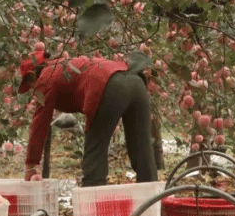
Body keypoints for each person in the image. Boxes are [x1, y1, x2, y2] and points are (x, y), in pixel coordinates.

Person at [19, 50, 157, 187]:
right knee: (142, 150)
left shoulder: (46, 76)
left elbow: (39, 123)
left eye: (30, 86)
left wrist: (31, 165)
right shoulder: (65, 64)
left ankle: (94, 202)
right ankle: (154, 202)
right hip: (136, 81)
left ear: (31, 75)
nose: (32, 90)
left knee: (95, 153)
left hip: (109, 85)